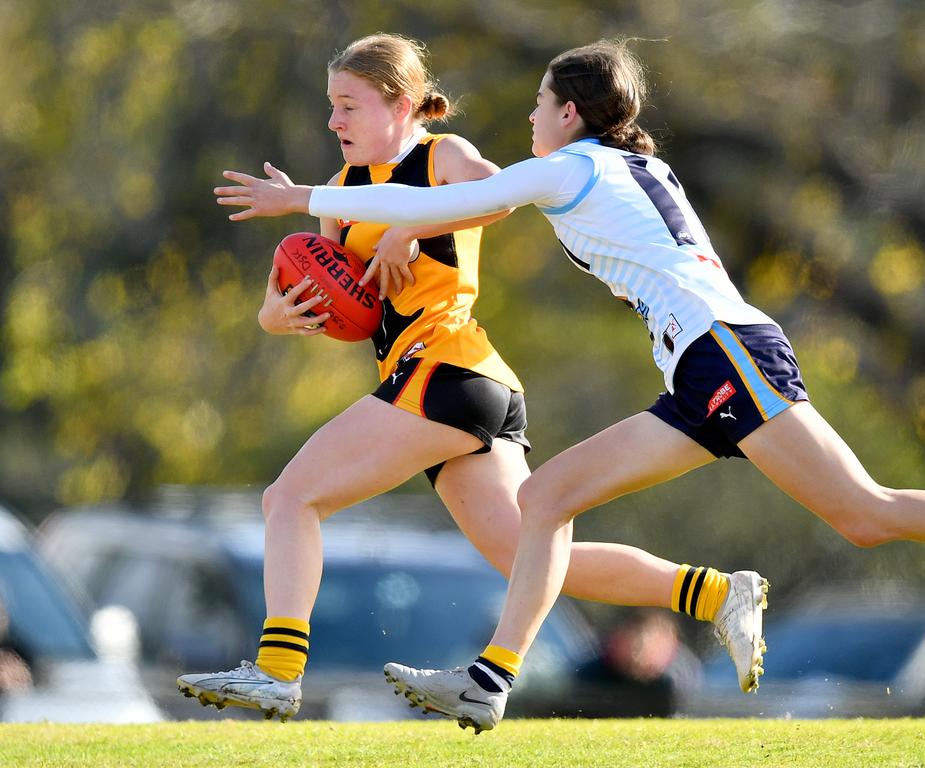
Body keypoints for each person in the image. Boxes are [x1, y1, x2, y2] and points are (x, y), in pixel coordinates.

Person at [214, 38, 925, 733]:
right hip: (697, 367)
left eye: (539, 103)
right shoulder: (624, 164)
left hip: (724, 353)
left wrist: (298, 199)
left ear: (569, 113)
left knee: (865, 514)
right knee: (548, 500)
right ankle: (496, 678)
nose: (528, 116)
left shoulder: (567, 169)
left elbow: (470, 199)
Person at [184, 34, 767, 722]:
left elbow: (502, 198)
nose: (334, 123)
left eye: (349, 106)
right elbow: (294, 297)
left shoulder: (441, 155)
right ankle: (716, 594)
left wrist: (412, 222)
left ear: (401, 106)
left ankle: (278, 672)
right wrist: (277, 315)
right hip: (463, 385)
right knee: (533, 558)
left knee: (290, 499)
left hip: (447, 368)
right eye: (331, 108)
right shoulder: (339, 195)